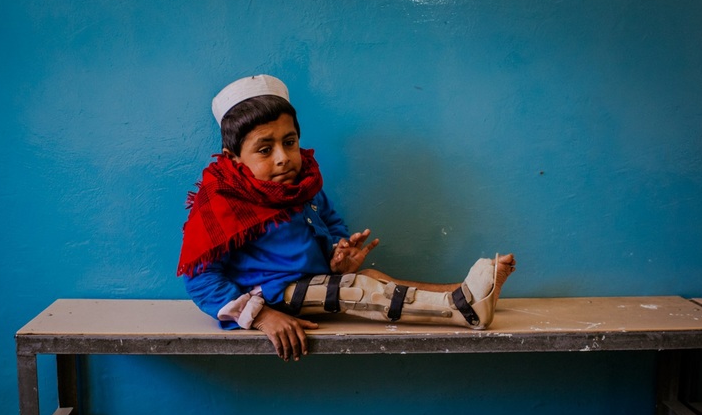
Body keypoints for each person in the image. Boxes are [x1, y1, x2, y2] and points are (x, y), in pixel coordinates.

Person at [178, 75, 516, 361]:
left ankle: (462, 293)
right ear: (234, 159)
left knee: (370, 277)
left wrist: (337, 256)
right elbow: (200, 278)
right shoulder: (223, 201)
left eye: (290, 142)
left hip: (315, 282)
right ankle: (466, 309)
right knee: (361, 291)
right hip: (274, 296)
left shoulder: (304, 186)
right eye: (265, 149)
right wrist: (261, 317)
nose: (283, 158)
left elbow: (330, 221)